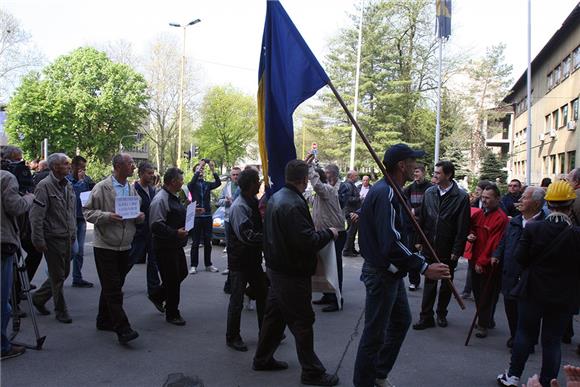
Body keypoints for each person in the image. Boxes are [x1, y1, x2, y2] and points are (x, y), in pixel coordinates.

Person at [353, 143, 451, 387]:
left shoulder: (392, 190)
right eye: (412, 161)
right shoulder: (386, 192)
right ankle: (365, 382)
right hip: (382, 274)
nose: (416, 166)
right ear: (401, 165)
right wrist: (423, 266)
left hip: (389, 273)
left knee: (400, 322)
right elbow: (390, 244)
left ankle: (378, 373)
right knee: (374, 334)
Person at [253, 159, 339, 387]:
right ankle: (312, 372)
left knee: (275, 316)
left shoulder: (278, 198)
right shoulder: (291, 203)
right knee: (302, 321)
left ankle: (262, 358)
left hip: (278, 269)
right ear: (303, 180)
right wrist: (329, 233)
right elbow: (306, 241)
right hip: (290, 273)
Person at [497, 181, 580, 387]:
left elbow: (520, 258)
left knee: (524, 334)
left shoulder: (534, 228)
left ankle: (513, 376)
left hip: (532, 290)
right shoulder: (576, 234)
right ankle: (547, 381)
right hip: (562, 295)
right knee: (552, 341)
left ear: (548, 203)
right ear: (571, 204)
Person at [83, 153, 144, 344]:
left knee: (113, 286)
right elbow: (87, 212)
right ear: (118, 166)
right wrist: (107, 216)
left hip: (125, 244)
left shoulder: (130, 188)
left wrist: (139, 217)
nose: (134, 166)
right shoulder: (102, 187)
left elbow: (133, 211)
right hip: (106, 245)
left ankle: (103, 320)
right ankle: (123, 329)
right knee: (113, 289)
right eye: (130, 163)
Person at [412, 161, 470, 330]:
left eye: (438, 173)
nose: (434, 176)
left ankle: (441, 314)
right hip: (430, 245)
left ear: (448, 175)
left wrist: (456, 250)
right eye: (434, 173)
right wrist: (418, 240)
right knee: (429, 282)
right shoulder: (429, 192)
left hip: (448, 247)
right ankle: (426, 317)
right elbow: (422, 218)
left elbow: (463, 226)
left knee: (446, 284)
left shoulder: (460, 197)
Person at [494, 186, 546, 348]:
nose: (520, 200)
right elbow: (504, 242)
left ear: (537, 203)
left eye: (525, 197)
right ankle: (515, 335)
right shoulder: (515, 221)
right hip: (510, 272)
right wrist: (496, 255)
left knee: (529, 311)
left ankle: (527, 340)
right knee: (511, 307)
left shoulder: (544, 225)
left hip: (530, 277)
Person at [30, 153, 76, 324]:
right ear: (55, 167)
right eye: (66, 163)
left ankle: (39, 298)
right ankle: (61, 310)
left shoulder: (68, 185)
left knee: (64, 272)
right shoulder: (44, 186)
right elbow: (36, 216)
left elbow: (70, 211)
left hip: (67, 237)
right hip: (53, 237)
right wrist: (38, 239)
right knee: (57, 276)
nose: (69, 166)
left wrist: (73, 234)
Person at [225, 168, 267, 352]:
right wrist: (268, 238)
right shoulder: (240, 206)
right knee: (236, 300)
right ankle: (232, 336)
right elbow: (247, 236)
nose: (259, 183)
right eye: (257, 180)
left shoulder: (252, 201)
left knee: (263, 294)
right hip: (240, 261)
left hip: (252, 259)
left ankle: (265, 332)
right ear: (250, 184)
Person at [1, 151, 34, 359]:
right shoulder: (6, 178)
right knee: (3, 299)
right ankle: (3, 346)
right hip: (3, 242)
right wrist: (29, 197)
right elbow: (15, 207)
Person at [149, 167, 189, 326]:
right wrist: (174, 233)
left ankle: (158, 295)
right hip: (165, 246)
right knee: (172, 279)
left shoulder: (173, 196)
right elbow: (156, 225)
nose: (182, 182)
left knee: (182, 273)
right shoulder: (160, 199)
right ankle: (172, 313)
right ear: (173, 182)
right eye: (180, 179)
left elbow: (175, 214)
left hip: (175, 244)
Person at [468, 184, 508, 339]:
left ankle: (483, 324)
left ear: (497, 199)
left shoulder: (500, 218)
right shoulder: (479, 214)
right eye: (482, 197)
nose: (483, 200)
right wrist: (470, 234)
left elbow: (494, 243)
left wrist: (481, 262)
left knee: (486, 294)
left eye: (487, 198)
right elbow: (471, 227)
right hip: (475, 258)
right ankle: (487, 320)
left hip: (487, 263)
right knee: (478, 293)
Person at [307, 156, 346, 313]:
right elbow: (304, 196)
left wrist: (309, 167)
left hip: (335, 233)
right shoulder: (319, 195)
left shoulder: (327, 191)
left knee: (334, 267)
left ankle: (337, 299)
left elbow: (316, 185)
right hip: (325, 232)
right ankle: (328, 295)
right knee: (324, 267)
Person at [129, 162, 164, 313]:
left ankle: (154, 293)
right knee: (129, 260)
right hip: (138, 234)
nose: (152, 176)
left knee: (154, 262)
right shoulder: (133, 190)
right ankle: (115, 287)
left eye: (153, 173)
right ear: (141, 174)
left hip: (151, 232)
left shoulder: (152, 189)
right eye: (149, 173)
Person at [187, 159, 221, 274]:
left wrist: (212, 170)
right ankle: (193, 265)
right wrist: (199, 166)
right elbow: (191, 184)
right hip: (196, 217)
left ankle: (208, 264)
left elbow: (218, 183)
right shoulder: (192, 185)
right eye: (198, 170)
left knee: (208, 241)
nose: (201, 171)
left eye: (202, 169)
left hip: (207, 216)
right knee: (195, 242)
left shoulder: (207, 184)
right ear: (194, 172)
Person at [403, 163, 433, 291]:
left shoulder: (430, 189)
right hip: (412, 227)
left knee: (428, 254)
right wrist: (411, 212)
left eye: (417, 172)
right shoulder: (410, 188)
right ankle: (414, 281)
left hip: (426, 227)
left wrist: (416, 212)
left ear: (423, 173)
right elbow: (404, 201)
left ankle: (431, 280)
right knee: (412, 253)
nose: (415, 175)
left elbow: (430, 206)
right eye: (414, 172)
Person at [66, 155, 95, 288]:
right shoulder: (67, 180)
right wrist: (80, 182)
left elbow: (91, 195)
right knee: (73, 250)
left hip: (81, 218)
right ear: (73, 166)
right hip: (69, 219)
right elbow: (73, 193)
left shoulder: (86, 180)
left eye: (84, 167)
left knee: (80, 251)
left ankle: (77, 278)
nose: (82, 170)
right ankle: (55, 271)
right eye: (80, 167)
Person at [339, 169, 361, 257]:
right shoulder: (348, 185)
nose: (357, 177)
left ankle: (351, 248)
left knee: (353, 231)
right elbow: (348, 199)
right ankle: (347, 250)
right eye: (356, 176)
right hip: (351, 212)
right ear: (351, 176)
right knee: (351, 232)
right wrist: (359, 198)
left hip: (352, 211)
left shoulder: (350, 185)